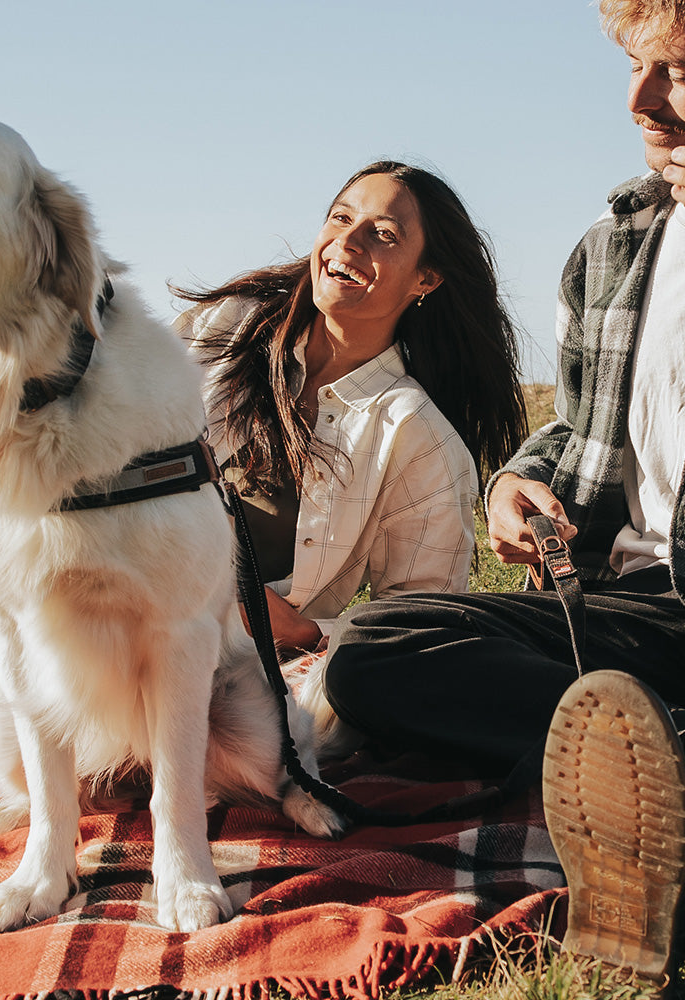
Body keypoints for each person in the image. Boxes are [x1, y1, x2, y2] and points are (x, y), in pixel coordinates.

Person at [0, 162, 527, 739]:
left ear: (426, 280)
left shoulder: (416, 438)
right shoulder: (222, 332)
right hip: (15, 519)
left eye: (385, 235)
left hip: (113, 625)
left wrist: (297, 628)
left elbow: (423, 634)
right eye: (341, 219)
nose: (347, 244)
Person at [320, 0, 685, 986]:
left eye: (680, 72)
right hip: (619, 613)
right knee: (374, 646)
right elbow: (579, 424)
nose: (642, 102)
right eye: (635, 66)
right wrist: (520, 479)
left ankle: (638, 784)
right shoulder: (616, 246)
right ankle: (649, 759)